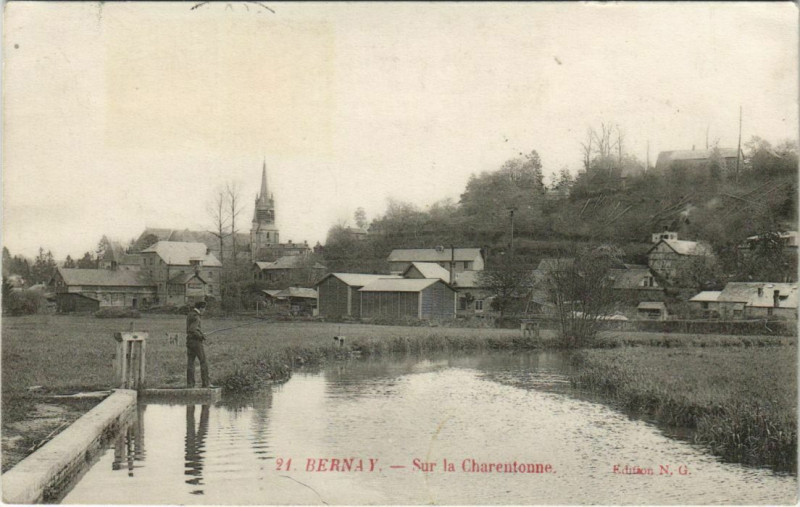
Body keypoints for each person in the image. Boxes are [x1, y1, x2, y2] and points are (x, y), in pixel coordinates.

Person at [186, 301, 210, 388]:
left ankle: (190, 384)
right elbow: (192, 329)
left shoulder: (190, 314)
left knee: (190, 363)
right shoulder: (196, 317)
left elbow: (191, 329)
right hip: (196, 342)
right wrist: (201, 336)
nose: (204, 310)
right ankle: (206, 383)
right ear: (201, 308)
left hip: (189, 341)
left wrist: (201, 333)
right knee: (203, 361)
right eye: (204, 308)